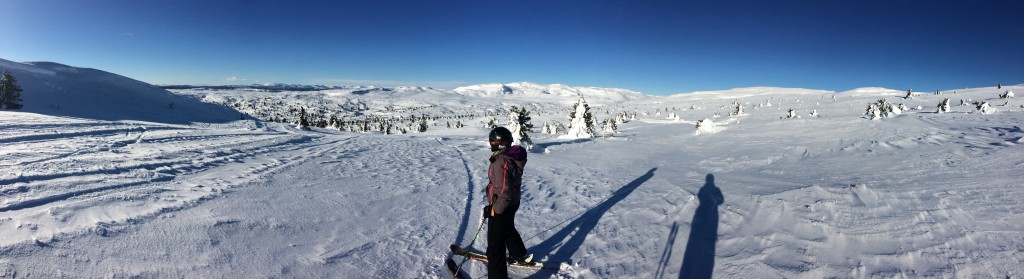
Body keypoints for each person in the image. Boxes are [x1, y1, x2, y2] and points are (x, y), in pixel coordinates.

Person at [482, 127, 532, 278]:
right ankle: (519, 253)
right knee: (508, 227)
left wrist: (495, 210)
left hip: (502, 206)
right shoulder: (510, 157)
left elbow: (505, 192)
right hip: (512, 203)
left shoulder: (501, 161)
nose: (491, 143)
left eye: (493, 141)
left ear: (499, 143)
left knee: (495, 247)